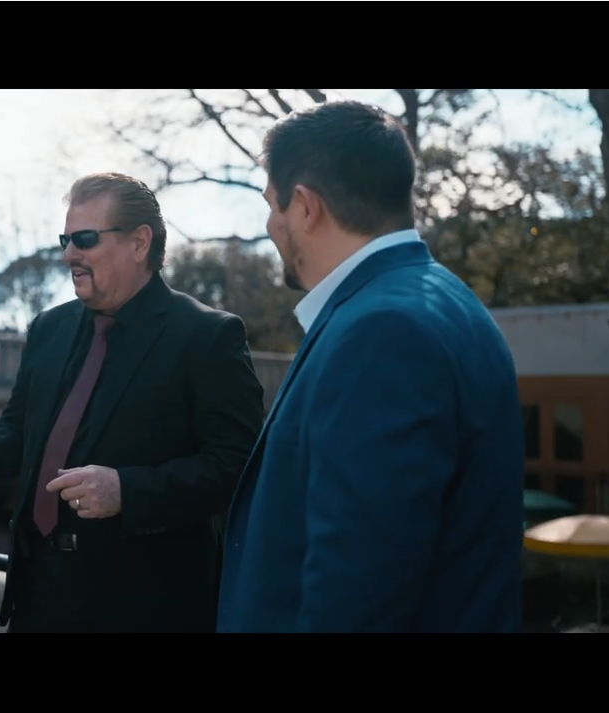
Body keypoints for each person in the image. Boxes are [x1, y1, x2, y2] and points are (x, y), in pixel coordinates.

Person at [0, 172, 265, 632]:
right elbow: (19, 430)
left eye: (84, 239)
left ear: (139, 242)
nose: (68, 255)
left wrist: (127, 490)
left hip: (147, 610)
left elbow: (237, 465)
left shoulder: (208, 337)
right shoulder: (50, 328)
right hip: (38, 596)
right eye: (65, 240)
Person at [215, 101, 525, 632]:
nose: (270, 225)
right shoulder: (439, 298)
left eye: (272, 204)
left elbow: (357, 591)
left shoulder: (381, 333)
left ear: (305, 207)